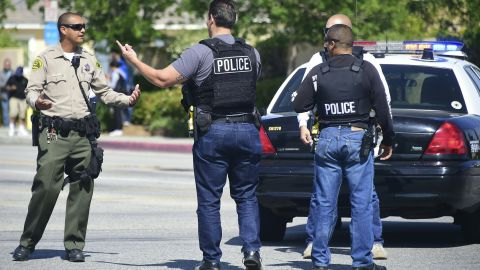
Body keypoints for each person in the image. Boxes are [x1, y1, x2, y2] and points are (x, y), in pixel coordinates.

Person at [116, 1, 263, 269]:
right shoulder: (252, 52)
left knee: (209, 201)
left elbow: (162, 79)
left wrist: (133, 60)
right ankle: (252, 252)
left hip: (214, 132)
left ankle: (212, 260)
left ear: (210, 19)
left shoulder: (200, 53)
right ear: (234, 20)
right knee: (247, 197)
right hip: (248, 130)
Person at [12, 12, 140, 262]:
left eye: (84, 26)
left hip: (83, 136)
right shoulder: (46, 59)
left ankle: (74, 244)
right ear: (63, 30)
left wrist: (127, 100)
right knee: (46, 187)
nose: (83, 30)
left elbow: (105, 92)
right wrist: (37, 102)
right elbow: (31, 90)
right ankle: (28, 242)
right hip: (53, 134)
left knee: (83, 186)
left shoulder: (89, 60)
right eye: (77, 26)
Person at [294, 25, 393, 270]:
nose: (325, 47)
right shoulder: (367, 69)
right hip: (358, 139)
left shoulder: (319, 71)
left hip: (327, 139)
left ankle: (319, 260)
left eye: (326, 43)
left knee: (325, 202)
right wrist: (389, 139)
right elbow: (383, 108)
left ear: (333, 44)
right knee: (361, 202)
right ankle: (361, 262)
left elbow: (299, 104)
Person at [5, 66, 29, 136]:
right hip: (14, 98)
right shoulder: (12, 78)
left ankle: (21, 129)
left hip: (23, 98)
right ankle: (11, 128)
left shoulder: (25, 79)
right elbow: (6, 87)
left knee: (22, 114)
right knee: (13, 113)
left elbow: (28, 89)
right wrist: (11, 88)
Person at [108, 60, 128, 136]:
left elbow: (112, 85)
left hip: (116, 94)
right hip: (122, 94)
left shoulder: (115, 73)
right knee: (119, 111)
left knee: (117, 112)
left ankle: (118, 129)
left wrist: (107, 81)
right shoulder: (121, 73)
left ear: (112, 67)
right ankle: (119, 129)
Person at [0, 58, 13, 126]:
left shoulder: (13, 73)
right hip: (4, 95)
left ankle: (11, 124)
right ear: (4, 65)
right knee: (5, 111)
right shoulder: (1, 73)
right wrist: (6, 86)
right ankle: (6, 125)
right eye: (6, 64)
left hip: (12, 95)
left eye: (8, 64)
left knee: (12, 111)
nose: (7, 66)